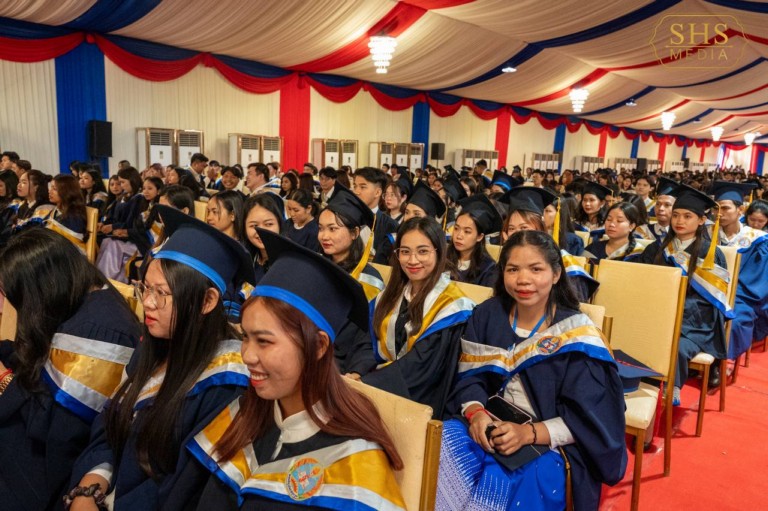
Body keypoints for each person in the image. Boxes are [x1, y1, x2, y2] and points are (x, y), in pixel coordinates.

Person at [185, 227, 407, 510]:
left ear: (318, 346)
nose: (247, 355)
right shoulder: (243, 415)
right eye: (246, 337)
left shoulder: (353, 465)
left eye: (264, 341)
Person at [68, 206, 255, 511]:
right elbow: (110, 423)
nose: (148, 303)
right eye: (146, 288)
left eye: (162, 293)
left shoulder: (226, 384)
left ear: (207, 301)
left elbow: (184, 489)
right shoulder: (153, 347)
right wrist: (91, 485)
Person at [436, 230, 626, 511]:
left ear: (556, 274)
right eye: (513, 269)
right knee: (443, 445)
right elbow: (470, 377)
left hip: (549, 443)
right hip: (487, 424)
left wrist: (529, 434)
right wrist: (476, 413)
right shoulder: (487, 314)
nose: (523, 279)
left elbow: (590, 421)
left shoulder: (576, 335)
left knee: (507, 484)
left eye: (536, 269)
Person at [0, 228, 140, 511]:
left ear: (43, 287)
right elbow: (46, 365)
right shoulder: (86, 294)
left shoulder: (99, 335)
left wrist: (4, 380)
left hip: (45, 472)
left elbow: (58, 434)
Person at [364, 217, 475, 418]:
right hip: (380, 384)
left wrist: (365, 385)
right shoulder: (390, 295)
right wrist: (357, 370)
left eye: (423, 251)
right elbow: (366, 340)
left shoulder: (451, 308)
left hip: (417, 402)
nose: (412, 260)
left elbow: (422, 369)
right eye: (405, 252)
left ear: (439, 252)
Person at [638, 184, 731, 403]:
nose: (679, 221)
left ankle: (670, 390)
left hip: (694, 325)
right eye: (676, 215)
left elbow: (712, 300)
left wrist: (675, 311)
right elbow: (643, 284)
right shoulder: (656, 249)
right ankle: (640, 392)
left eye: (687, 216)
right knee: (639, 338)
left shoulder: (711, 254)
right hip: (655, 316)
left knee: (675, 347)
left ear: (701, 220)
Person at [321, 186, 386, 376]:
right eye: (321, 228)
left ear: (354, 233)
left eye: (333, 229)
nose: (324, 236)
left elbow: (370, 337)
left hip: (342, 366)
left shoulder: (370, 281)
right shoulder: (316, 267)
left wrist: (357, 371)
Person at [501, 186, 599, 302]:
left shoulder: (568, 269)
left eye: (524, 228)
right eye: (511, 229)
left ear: (540, 229)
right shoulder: (505, 264)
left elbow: (572, 308)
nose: (517, 234)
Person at [710, 181, 768, 361]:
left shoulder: (757, 240)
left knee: (734, 322)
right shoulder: (706, 234)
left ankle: (724, 361)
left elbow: (756, 281)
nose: (719, 213)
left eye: (725, 208)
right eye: (715, 208)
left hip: (740, 296)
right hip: (706, 293)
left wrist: (727, 293)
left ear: (740, 210)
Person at [447, 194, 501, 287]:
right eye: (456, 228)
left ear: (479, 237)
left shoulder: (488, 269)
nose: (459, 236)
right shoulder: (443, 258)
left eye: (467, 231)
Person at [353, 167, 398, 264]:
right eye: (355, 186)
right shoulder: (346, 218)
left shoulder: (390, 225)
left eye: (362, 187)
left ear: (377, 192)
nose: (356, 191)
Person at [243, 193, 285, 285]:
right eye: (254, 225)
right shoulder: (244, 257)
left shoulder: (287, 264)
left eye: (269, 224)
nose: (261, 231)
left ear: (279, 224)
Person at [45, 174, 89, 253]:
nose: (49, 191)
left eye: (54, 189)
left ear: (67, 191)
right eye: (50, 187)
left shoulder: (74, 217)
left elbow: (69, 246)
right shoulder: (56, 211)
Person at [12, 169, 54, 235]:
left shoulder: (45, 208)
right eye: (19, 182)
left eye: (24, 182)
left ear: (36, 187)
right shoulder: (22, 205)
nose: (18, 185)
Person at [649, 177, 677, 243]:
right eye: (658, 204)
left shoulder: (681, 235)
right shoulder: (642, 231)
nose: (660, 208)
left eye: (667, 205)